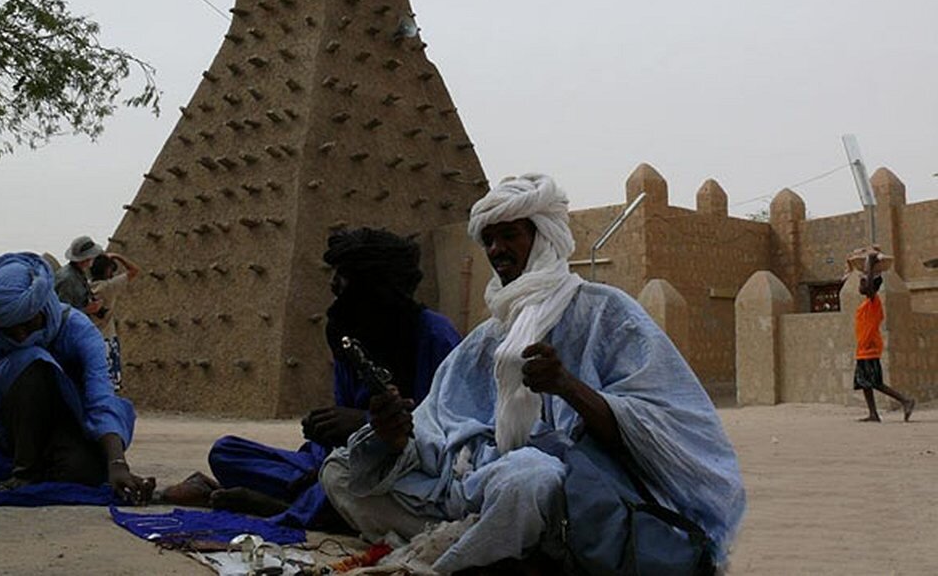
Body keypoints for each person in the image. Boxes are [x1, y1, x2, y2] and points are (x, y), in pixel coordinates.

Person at [320, 174, 746, 574]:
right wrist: (393, 438)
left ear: (544, 236)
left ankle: (448, 559)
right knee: (340, 470)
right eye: (489, 239)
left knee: (530, 475)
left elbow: (659, 428)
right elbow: (436, 431)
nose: (497, 249)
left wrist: (568, 387)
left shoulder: (607, 313)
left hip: (572, 490)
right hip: (475, 483)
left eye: (510, 235)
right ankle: (486, 543)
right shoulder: (487, 338)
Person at [159, 227, 461, 527]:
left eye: (342, 281)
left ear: (370, 286)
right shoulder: (350, 334)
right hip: (332, 462)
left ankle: (297, 506)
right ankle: (311, 496)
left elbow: (449, 433)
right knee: (227, 451)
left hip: (403, 468)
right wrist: (325, 428)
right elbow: (341, 428)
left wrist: (365, 423)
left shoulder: (434, 336)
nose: (333, 287)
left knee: (353, 483)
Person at [0, 253, 153, 502]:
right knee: (32, 359)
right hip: (18, 434)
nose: (21, 336)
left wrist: (117, 462)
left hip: (67, 424)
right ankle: (25, 473)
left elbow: (100, 399)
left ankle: (39, 467)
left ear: (43, 307)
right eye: (10, 330)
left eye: (27, 323)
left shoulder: (78, 330)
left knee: (85, 472)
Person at [852, 249, 915, 423]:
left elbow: (871, 286)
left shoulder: (874, 302)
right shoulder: (865, 304)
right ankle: (873, 413)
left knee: (875, 382)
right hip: (863, 348)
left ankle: (906, 400)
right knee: (864, 382)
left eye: (863, 282)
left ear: (871, 286)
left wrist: (870, 264)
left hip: (870, 348)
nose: (860, 285)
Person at [89, 252, 140, 391]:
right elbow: (134, 270)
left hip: (88, 339)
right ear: (108, 270)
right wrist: (118, 256)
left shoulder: (86, 287)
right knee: (109, 384)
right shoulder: (110, 287)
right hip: (107, 338)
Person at [54, 235, 105, 318]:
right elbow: (61, 313)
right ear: (86, 259)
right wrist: (86, 310)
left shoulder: (79, 272)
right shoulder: (67, 279)